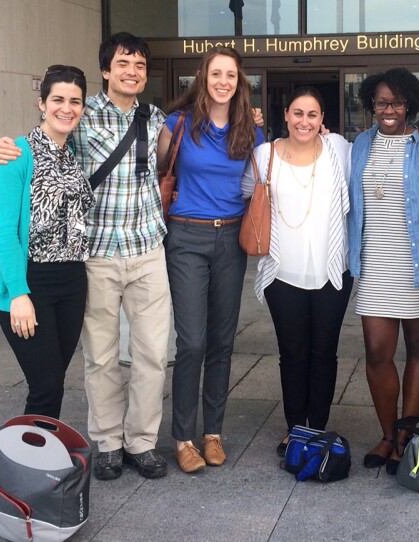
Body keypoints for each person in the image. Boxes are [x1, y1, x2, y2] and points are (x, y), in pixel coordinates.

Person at [0, 33, 172, 482]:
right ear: (106, 71)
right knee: (102, 357)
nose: (133, 71)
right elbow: (37, 148)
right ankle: (108, 443)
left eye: (140, 65)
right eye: (123, 64)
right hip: (96, 256)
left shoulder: (156, 118)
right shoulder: (81, 116)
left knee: (152, 354)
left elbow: (171, 161)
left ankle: (143, 443)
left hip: (147, 250)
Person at [348, 68, 419, 475]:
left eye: (397, 102)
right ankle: (388, 434)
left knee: (418, 349)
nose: (389, 109)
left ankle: (407, 434)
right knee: (377, 353)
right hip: (376, 266)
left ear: (410, 104)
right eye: (381, 102)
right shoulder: (360, 144)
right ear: (371, 105)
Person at [157, 46, 264, 473]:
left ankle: (212, 433)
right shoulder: (178, 123)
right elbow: (155, 173)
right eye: (216, 73)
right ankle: (182, 437)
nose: (223, 81)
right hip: (186, 236)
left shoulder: (250, 131)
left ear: (240, 83)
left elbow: (258, 178)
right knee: (193, 342)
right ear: (202, 77)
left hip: (231, 240)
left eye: (231, 75)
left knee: (222, 342)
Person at [241, 87, 353, 455]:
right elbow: (246, 193)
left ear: (323, 121)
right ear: (286, 115)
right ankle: (295, 429)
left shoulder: (338, 150)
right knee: (292, 353)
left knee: (324, 352)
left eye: (313, 114)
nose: (305, 121)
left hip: (331, 270)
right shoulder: (264, 154)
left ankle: (317, 427)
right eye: (298, 113)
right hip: (282, 273)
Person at [0, 65, 92, 421]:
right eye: (58, 99)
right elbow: (4, 234)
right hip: (31, 282)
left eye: (75, 101)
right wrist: (18, 294)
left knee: (54, 381)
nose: (67, 108)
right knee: (45, 384)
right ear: (41, 103)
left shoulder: (74, 152)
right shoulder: (14, 155)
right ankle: (28, 468)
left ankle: (42, 457)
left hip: (72, 281)